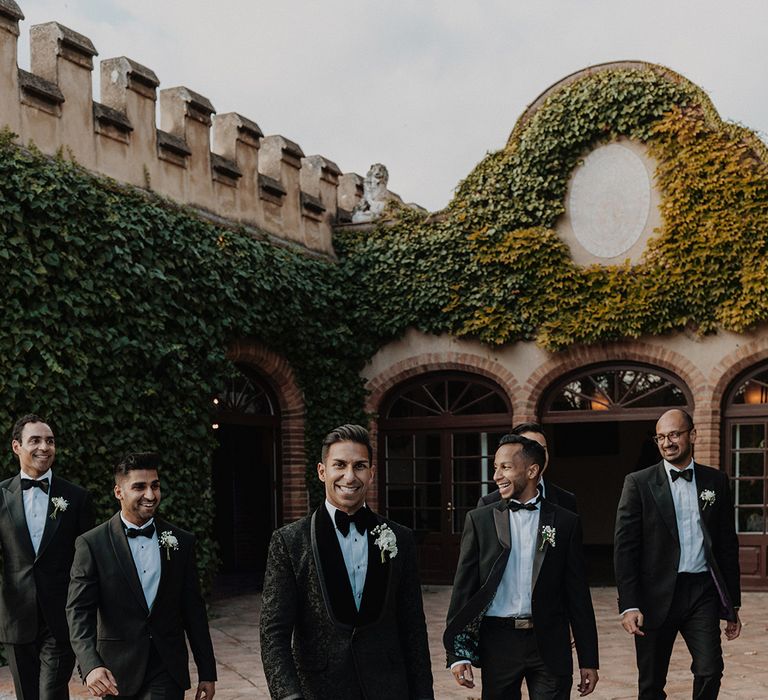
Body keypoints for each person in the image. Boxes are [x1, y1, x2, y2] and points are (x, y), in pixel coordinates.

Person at [260, 424, 434, 700]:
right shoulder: (289, 541)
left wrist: (423, 695)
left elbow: (412, 625)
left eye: (360, 466)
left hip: (388, 688)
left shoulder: (400, 538)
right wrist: (288, 696)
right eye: (339, 465)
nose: (349, 476)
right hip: (319, 690)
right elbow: (274, 631)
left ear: (372, 473)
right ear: (322, 471)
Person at [445, 434, 599, 699]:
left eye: (505, 467)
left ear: (532, 471)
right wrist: (457, 654)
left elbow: (578, 594)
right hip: (498, 642)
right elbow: (464, 589)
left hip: (549, 640)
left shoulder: (565, 522)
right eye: (496, 467)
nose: (496, 476)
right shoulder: (480, 520)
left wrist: (589, 658)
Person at [66, 452, 216, 700]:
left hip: (166, 667)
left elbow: (194, 610)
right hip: (115, 672)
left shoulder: (181, 541)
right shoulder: (92, 544)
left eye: (155, 486)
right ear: (118, 492)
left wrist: (207, 671)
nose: (150, 495)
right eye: (139, 487)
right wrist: (91, 664)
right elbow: (78, 611)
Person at [614, 408, 741, 699]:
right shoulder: (638, 483)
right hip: (653, 595)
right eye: (660, 437)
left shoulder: (715, 481)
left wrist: (732, 605)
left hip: (701, 592)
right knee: (651, 683)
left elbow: (725, 544)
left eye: (674, 434)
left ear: (692, 435)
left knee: (710, 669)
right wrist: (630, 604)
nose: (667, 442)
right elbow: (625, 548)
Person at [0, 414, 94, 700]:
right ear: (17, 446)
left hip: (62, 616)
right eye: (35, 440)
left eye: (50, 441)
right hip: (16, 617)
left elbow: (88, 562)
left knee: (51, 693)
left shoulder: (77, 497)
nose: (45, 447)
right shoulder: (1, 495)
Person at [477, 422, 576, 513]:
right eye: (529, 450)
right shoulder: (488, 503)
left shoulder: (566, 500)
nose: (537, 456)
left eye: (542, 450)